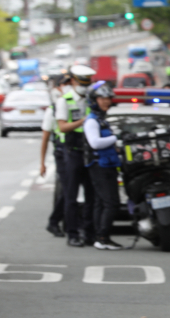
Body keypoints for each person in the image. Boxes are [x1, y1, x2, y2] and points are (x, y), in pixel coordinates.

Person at [56, 65, 96, 247]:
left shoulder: (91, 99)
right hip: (72, 152)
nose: (84, 86)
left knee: (91, 196)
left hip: (90, 150)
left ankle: (89, 233)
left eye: (87, 83)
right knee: (71, 197)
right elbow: (62, 127)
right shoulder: (64, 101)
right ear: (73, 81)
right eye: (81, 82)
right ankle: (72, 234)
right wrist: (83, 121)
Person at [84, 82, 122, 250]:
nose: (106, 101)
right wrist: (116, 139)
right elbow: (95, 143)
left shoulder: (102, 120)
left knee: (101, 202)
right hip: (99, 166)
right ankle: (103, 237)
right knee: (111, 203)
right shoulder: (92, 121)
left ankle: (99, 236)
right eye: (102, 98)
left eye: (108, 98)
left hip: (108, 165)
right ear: (94, 100)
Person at [39, 74, 72, 237]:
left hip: (75, 152)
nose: (66, 87)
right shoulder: (52, 110)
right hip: (61, 154)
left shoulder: (75, 106)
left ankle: (63, 223)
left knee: (71, 191)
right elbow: (45, 138)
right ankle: (55, 222)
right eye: (64, 85)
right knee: (68, 190)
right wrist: (42, 163)